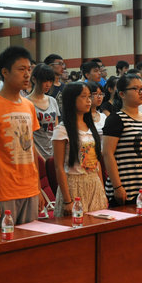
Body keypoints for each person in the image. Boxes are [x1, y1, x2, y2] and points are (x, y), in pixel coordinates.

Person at [0, 46, 45, 226]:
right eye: (21, 69)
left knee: (31, 240)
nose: (27, 74)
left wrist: (38, 188)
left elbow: (31, 150)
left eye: (29, 69)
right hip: (3, 192)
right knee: (4, 240)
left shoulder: (28, 106)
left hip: (30, 189)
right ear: (5, 72)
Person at [102, 74, 142, 206]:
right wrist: (117, 186)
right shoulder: (115, 119)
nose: (141, 92)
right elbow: (107, 154)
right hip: (126, 188)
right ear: (122, 94)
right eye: (135, 89)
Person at [52, 82, 108, 213]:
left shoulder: (90, 126)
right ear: (71, 100)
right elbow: (59, 167)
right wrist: (67, 200)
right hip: (74, 185)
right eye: (83, 97)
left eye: (89, 97)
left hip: (94, 182)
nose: (89, 101)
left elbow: (97, 162)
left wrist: (102, 190)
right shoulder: (62, 129)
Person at [27, 63, 59, 161]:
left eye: (50, 81)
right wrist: (40, 158)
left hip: (53, 152)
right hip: (36, 155)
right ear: (34, 79)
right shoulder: (27, 102)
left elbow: (56, 128)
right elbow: (28, 135)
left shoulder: (52, 101)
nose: (48, 84)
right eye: (44, 81)